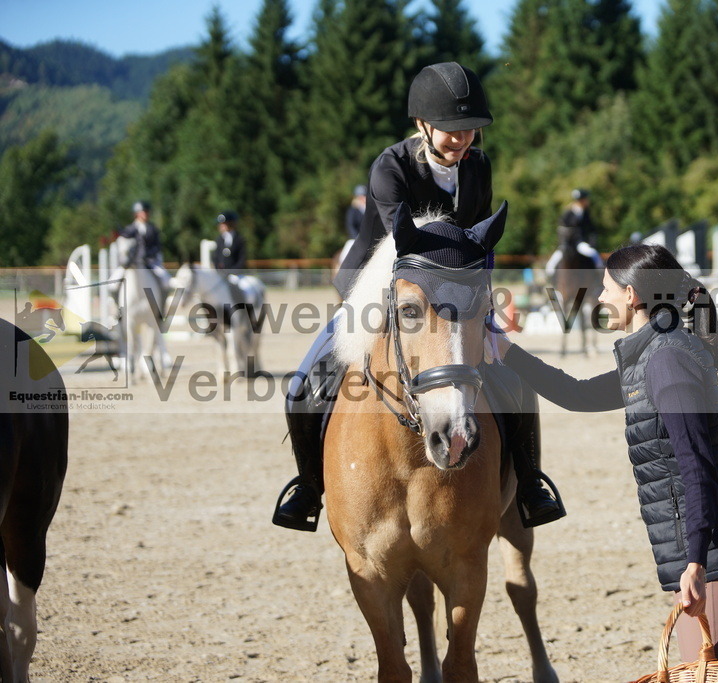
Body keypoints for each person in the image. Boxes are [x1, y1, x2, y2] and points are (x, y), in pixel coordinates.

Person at [273, 61, 565, 532]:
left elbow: (479, 244)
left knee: (516, 380)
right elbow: (400, 248)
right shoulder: (390, 168)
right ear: (422, 124)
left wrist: (485, 304)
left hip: (454, 299)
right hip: (376, 286)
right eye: (451, 129)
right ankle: (308, 486)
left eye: (470, 128)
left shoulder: (479, 167)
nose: (463, 138)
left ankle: (529, 482)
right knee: (304, 383)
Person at [496, 243, 718, 663]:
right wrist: (506, 352)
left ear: (632, 295)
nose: (600, 297)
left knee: (710, 674)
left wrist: (695, 562)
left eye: (606, 288)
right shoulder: (652, 355)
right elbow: (578, 394)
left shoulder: (667, 361)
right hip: (705, 553)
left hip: (717, 557)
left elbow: (697, 468)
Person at [114, 201, 172, 301]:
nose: (145, 214)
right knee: (112, 284)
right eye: (142, 212)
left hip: (150, 262)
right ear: (137, 213)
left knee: (166, 281)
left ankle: (161, 308)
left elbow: (157, 246)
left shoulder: (153, 229)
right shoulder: (129, 229)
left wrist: (148, 255)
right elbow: (124, 244)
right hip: (131, 263)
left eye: (146, 212)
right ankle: (118, 310)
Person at [545, 188, 603, 277]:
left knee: (593, 254)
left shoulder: (586, 213)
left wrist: (591, 243)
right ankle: (551, 280)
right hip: (567, 244)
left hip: (580, 243)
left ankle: (600, 274)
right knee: (551, 264)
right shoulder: (568, 213)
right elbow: (563, 230)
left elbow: (592, 230)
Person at [213, 210, 247, 276]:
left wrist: (233, 271)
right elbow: (215, 257)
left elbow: (242, 259)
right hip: (221, 274)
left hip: (236, 274)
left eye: (223, 224)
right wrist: (218, 269)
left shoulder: (239, 239)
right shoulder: (219, 239)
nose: (221, 226)